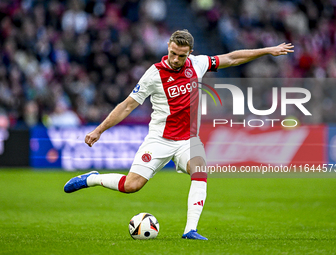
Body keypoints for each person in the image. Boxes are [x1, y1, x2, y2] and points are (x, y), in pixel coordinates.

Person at [64, 29, 294, 240]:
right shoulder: (154, 74)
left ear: (190, 53)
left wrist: (267, 51)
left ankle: (190, 230)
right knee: (131, 186)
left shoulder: (198, 64)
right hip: (159, 139)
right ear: (168, 46)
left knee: (200, 169)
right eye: (173, 53)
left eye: (181, 56)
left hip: (188, 141)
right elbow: (127, 105)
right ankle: (92, 178)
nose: (175, 59)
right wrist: (99, 130)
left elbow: (232, 58)